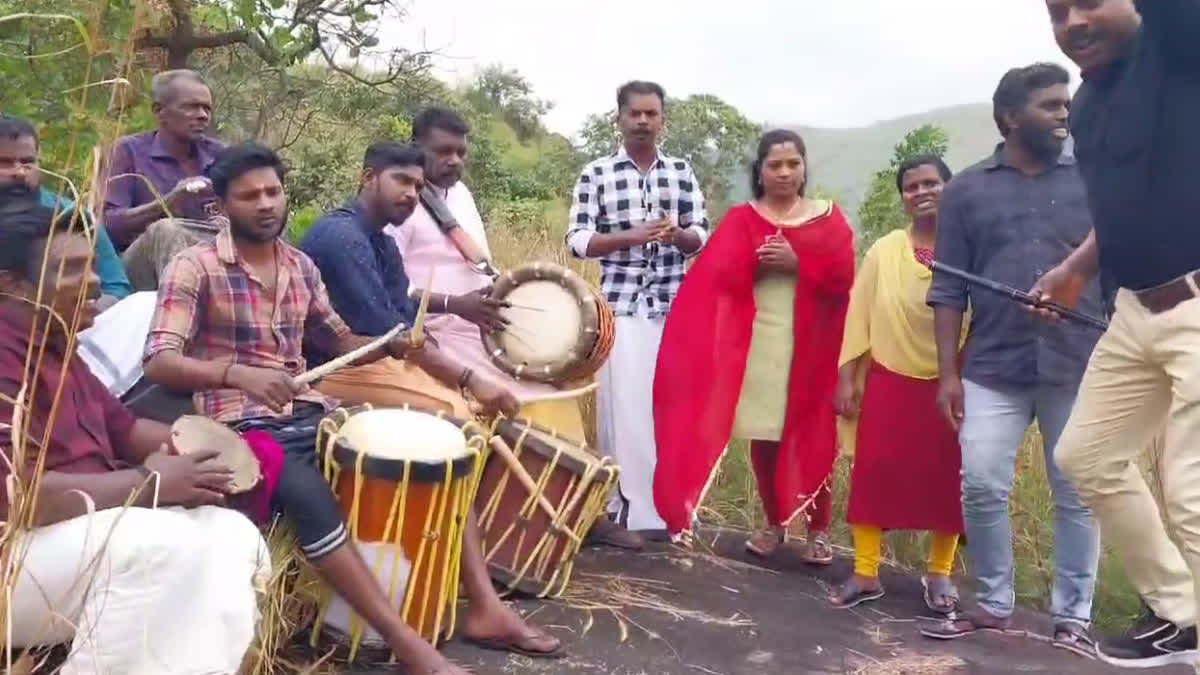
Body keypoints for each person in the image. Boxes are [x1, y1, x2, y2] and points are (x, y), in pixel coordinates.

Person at [143, 143, 560, 673]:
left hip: (308, 409)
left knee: (436, 455)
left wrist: (394, 343)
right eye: (250, 196)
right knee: (306, 489)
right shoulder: (193, 267)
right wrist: (237, 372)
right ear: (222, 208)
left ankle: (485, 608)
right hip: (235, 423)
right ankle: (410, 647)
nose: (266, 204)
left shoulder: (298, 265)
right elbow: (159, 360)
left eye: (273, 191)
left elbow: (338, 338)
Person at [0, 196, 268, 675]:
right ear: (11, 286)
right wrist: (147, 485)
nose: (96, 282)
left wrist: (204, 450)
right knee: (155, 545)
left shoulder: (56, 346)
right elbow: (17, 496)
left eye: (90, 266)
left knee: (233, 537)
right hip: (14, 552)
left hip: (65, 542)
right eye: (71, 270)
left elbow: (124, 430)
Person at [376, 106, 642, 549]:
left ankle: (581, 509)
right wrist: (454, 304)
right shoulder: (399, 207)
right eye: (443, 151)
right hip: (435, 334)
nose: (454, 161)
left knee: (555, 386)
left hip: (480, 325)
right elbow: (387, 292)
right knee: (522, 394)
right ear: (416, 148)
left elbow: (474, 267)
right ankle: (525, 518)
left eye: (461, 152)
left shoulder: (460, 195)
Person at [1035, 0, 1200, 667]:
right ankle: (1181, 610)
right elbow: (1126, 205)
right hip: (1132, 311)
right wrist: (1076, 268)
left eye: (1088, 1)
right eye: (1055, 11)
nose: (1071, 21)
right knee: (1086, 456)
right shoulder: (1092, 105)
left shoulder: (1178, 50)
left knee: (1191, 490)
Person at [920, 63, 1103, 655]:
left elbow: (1119, 267)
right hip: (992, 366)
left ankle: (1073, 616)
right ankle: (995, 603)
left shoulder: (1095, 179)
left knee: (1076, 493)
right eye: (1049, 104)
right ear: (1008, 117)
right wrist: (948, 374)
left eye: (1065, 102)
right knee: (982, 482)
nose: (1063, 112)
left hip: (1079, 361)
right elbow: (947, 290)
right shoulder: (967, 190)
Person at [652, 129, 855, 560]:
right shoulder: (744, 219)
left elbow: (843, 280)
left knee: (812, 428)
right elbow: (715, 278)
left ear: (804, 169)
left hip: (814, 344)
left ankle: (818, 531)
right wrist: (752, 269)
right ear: (760, 173)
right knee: (766, 432)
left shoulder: (827, 217)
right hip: (761, 343)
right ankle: (775, 523)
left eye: (793, 164)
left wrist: (799, 264)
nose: (784, 172)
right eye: (774, 165)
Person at [565, 80, 709, 535]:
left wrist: (678, 235)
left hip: (672, 307)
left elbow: (701, 233)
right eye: (635, 114)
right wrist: (632, 235)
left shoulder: (681, 172)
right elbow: (578, 241)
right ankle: (626, 509)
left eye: (652, 114)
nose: (643, 121)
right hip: (622, 308)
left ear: (662, 120)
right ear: (620, 118)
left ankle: (672, 508)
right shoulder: (596, 174)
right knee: (623, 411)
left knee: (668, 410)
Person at [829, 155, 966, 612]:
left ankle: (940, 576)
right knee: (874, 472)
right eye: (912, 186)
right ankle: (866, 572)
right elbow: (859, 313)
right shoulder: (885, 250)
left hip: (951, 381)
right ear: (903, 197)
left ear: (950, 187)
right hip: (888, 376)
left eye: (932, 183)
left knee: (948, 478)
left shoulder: (969, 249)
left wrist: (963, 373)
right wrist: (848, 378)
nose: (922, 192)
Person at [104, 69, 227, 291]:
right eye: (191, 107)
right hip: (139, 267)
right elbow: (108, 225)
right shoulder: (127, 152)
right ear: (159, 111)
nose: (202, 115)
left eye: (207, 108)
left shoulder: (220, 154)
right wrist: (168, 202)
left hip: (209, 254)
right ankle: (182, 314)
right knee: (167, 231)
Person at [0, 115, 132, 310]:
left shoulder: (73, 216)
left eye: (28, 162)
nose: (19, 172)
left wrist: (76, 319)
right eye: (5, 163)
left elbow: (116, 290)